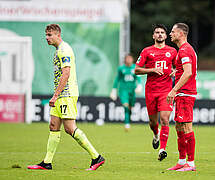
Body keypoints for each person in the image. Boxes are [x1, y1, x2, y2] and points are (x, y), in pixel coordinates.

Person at [27, 24, 104, 171]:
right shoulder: (58, 50)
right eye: (46, 35)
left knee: (70, 128)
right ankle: (47, 162)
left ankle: (96, 157)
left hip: (66, 94)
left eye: (50, 35)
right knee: (53, 125)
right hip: (61, 94)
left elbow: (66, 73)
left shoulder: (64, 50)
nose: (47, 38)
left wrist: (55, 95)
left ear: (58, 35)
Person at [135, 24, 177, 161]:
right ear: (153, 36)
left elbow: (179, 67)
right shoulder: (147, 51)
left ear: (166, 36)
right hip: (151, 91)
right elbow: (136, 70)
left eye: (162, 32)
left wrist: (174, 72)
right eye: (157, 32)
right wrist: (151, 70)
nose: (159, 34)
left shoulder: (172, 51)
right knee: (153, 123)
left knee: (165, 119)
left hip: (166, 91)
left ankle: (162, 149)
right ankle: (155, 134)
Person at [166, 23, 197, 171]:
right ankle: (181, 161)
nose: (170, 34)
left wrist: (173, 90)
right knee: (179, 126)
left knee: (186, 127)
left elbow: (188, 72)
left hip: (185, 93)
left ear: (181, 33)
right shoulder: (184, 50)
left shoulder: (184, 50)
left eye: (173, 31)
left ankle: (190, 164)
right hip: (183, 93)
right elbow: (184, 70)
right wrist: (176, 72)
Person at [110, 54, 142, 131]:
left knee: (130, 108)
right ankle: (127, 124)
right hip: (123, 91)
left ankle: (128, 119)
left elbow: (138, 78)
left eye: (130, 58)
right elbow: (117, 79)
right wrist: (114, 90)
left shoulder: (135, 67)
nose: (128, 60)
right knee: (125, 106)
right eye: (127, 59)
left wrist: (139, 86)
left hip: (132, 91)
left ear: (132, 59)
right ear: (125, 60)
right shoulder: (121, 68)